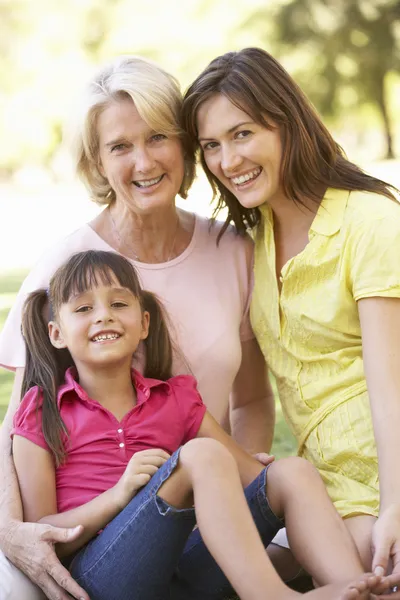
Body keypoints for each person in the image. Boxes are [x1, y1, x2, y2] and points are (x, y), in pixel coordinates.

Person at [0, 56, 275, 599]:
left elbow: (252, 403)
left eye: (158, 138)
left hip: (206, 507)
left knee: (313, 516)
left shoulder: (232, 251)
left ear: (186, 146)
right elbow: (17, 431)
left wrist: (237, 505)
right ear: (97, 162)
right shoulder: (70, 267)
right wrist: (12, 532)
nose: (143, 161)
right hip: (98, 531)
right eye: (120, 146)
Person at [11, 249, 392, 600]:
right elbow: (44, 533)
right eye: (82, 309)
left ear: (143, 323)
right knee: (202, 454)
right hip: (101, 577)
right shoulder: (43, 409)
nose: (103, 315)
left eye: (118, 303)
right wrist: (118, 496)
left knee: (291, 472)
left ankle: (352, 585)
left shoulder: (174, 399)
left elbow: (254, 480)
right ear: (56, 334)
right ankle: (271, 596)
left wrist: (248, 479)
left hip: (184, 569)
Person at [181, 46, 400, 585]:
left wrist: (395, 505)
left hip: (384, 470)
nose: (228, 161)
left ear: (287, 125)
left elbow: (389, 383)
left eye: (243, 134)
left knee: (372, 566)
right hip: (318, 486)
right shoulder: (249, 246)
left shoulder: (369, 221)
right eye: (211, 145)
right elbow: (250, 398)